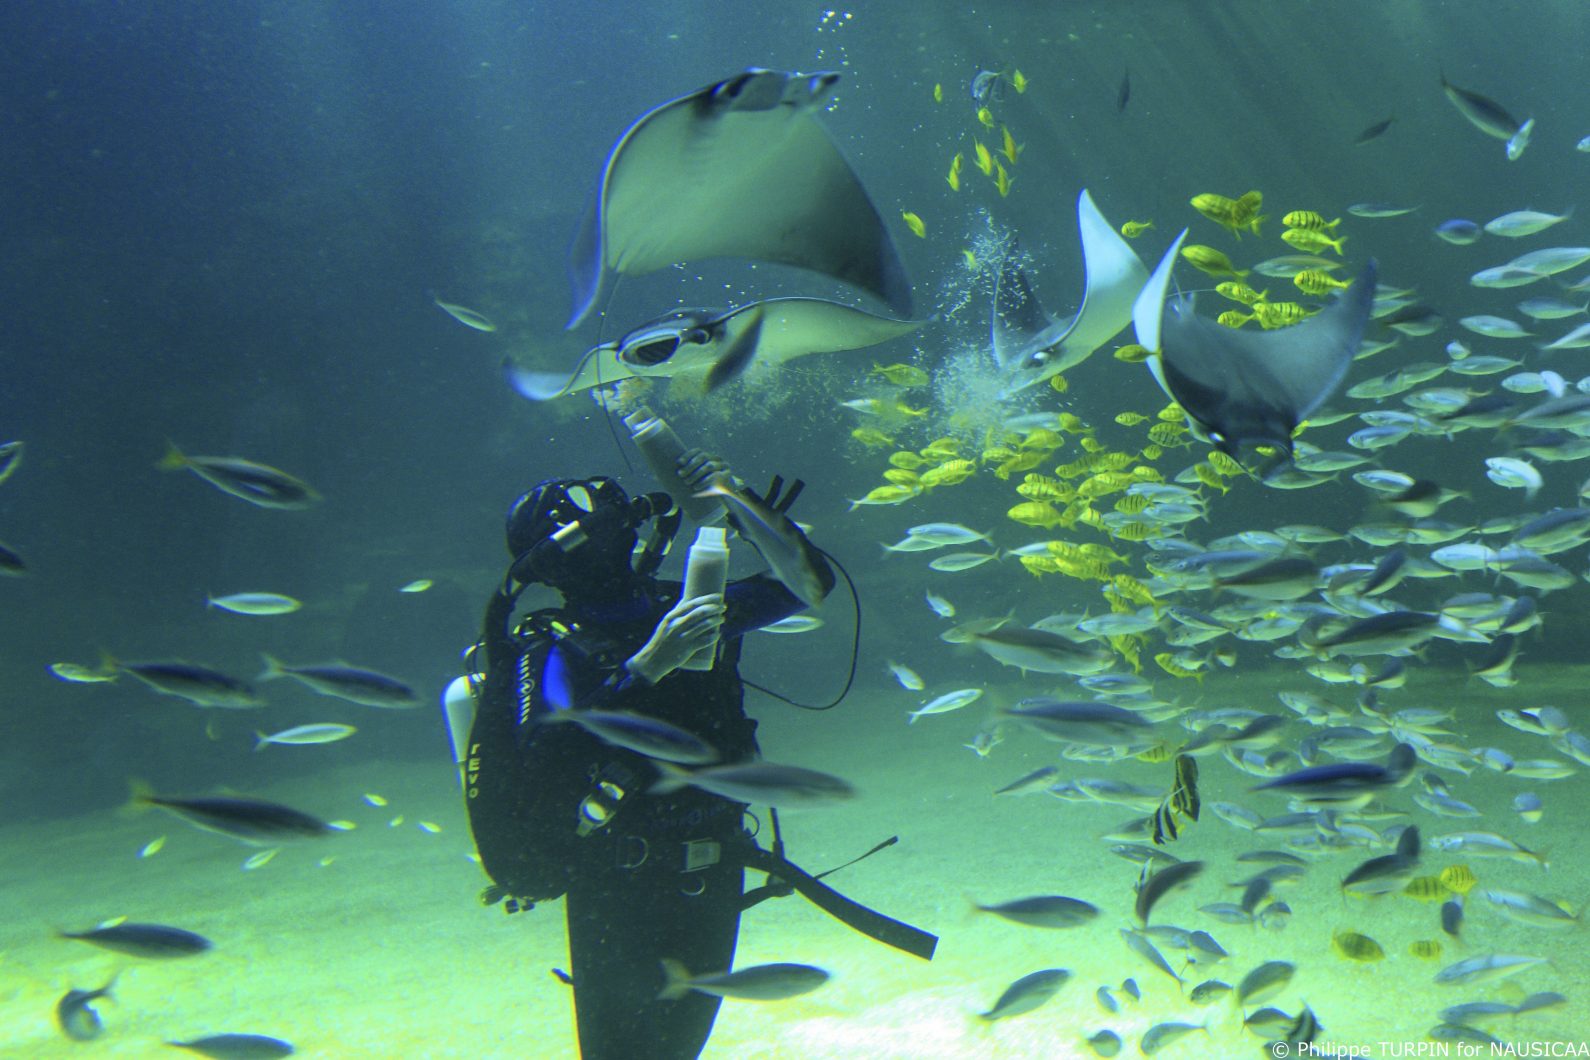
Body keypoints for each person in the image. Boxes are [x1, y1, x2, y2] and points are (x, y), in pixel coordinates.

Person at [461, 454, 836, 1059]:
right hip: (616, 880)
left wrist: (739, 501)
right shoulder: (549, 649)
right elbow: (544, 754)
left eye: (618, 521)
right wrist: (644, 669)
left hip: (713, 866)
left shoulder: (690, 603)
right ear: (554, 558)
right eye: (599, 527)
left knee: (680, 1049)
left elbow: (811, 582)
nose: (619, 531)